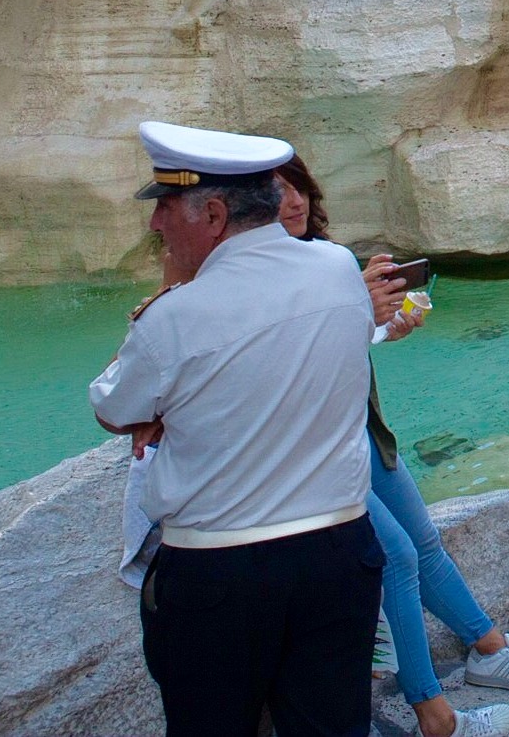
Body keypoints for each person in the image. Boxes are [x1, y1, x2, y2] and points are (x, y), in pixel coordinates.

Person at [90, 122, 382, 737]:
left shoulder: (176, 316)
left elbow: (115, 408)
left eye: (165, 207)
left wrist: (169, 300)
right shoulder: (335, 268)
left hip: (218, 573)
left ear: (215, 213)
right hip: (338, 551)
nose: (155, 225)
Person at [270, 158, 509, 737]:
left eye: (298, 187)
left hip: (357, 430)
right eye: (275, 194)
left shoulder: (323, 260)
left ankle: (489, 647)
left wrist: (377, 322)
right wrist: (356, 312)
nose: (293, 202)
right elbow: (285, 368)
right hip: (311, 448)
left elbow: (336, 348)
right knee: (393, 554)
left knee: (421, 541)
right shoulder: (259, 276)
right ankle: (433, 713)